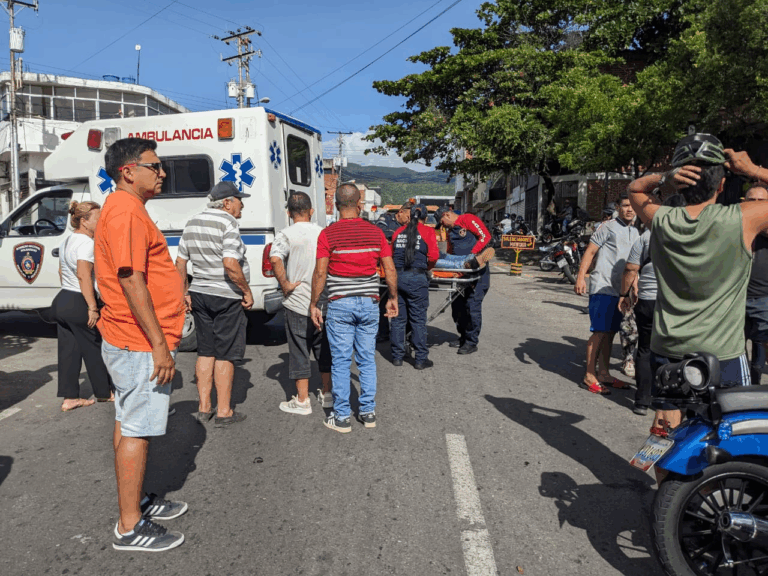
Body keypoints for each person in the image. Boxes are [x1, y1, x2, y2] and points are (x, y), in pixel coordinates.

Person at [628, 133, 766, 432]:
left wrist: (664, 177)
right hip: (723, 353)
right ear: (721, 184)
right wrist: (753, 170)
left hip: (668, 347)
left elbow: (636, 189)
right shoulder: (743, 218)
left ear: (681, 182)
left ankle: (667, 479)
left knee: (665, 423)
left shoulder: (662, 219)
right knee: (732, 429)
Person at [94, 138, 187, 552]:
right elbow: (131, 280)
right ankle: (129, 526)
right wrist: (160, 346)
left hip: (130, 339)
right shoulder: (126, 211)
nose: (162, 172)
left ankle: (136, 502)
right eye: (155, 165)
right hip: (139, 342)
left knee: (127, 419)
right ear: (129, 171)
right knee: (137, 430)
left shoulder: (124, 208)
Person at [310, 184, 398, 433]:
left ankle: (341, 417)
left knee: (340, 361)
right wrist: (392, 297)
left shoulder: (328, 234)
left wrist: (314, 304)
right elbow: (389, 269)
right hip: (369, 302)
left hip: (340, 304)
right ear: (359, 205)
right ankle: (368, 412)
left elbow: (320, 272)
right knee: (366, 359)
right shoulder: (376, 233)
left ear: (336, 206)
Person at [175, 180, 250, 427]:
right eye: (239, 200)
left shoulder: (192, 221)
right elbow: (230, 263)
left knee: (205, 350)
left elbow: (181, 262)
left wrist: (184, 292)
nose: (242, 205)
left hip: (199, 293)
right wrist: (246, 290)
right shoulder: (228, 223)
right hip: (226, 295)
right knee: (225, 353)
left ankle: (204, 407)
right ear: (227, 203)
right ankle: (225, 411)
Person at [619, 195, 687, 417]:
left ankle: (642, 400)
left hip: (647, 300)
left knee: (646, 349)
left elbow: (630, 269)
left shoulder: (647, 236)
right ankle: (669, 401)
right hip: (678, 304)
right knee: (676, 352)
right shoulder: (692, 235)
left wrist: (624, 294)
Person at [269, 191, 332, 414]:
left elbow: (275, 258)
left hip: (296, 301)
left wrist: (285, 283)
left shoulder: (285, 234)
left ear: (289, 213)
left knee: (298, 350)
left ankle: (302, 400)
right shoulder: (323, 233)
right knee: (324, 348)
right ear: (311, 211)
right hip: (322, 300)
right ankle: (326, 393)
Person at [52, 200, 114, 411]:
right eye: (98, 218)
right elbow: (83, 275)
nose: (101, 221)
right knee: (94, 347)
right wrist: (92, 307)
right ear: (85, 221)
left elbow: (62, 272)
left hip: (63, 299)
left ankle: (70, 397)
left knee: (69, 350)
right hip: (79, 300)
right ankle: (105, 393)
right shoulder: (87, 243)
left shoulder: (67, 240)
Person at [574, 195, 638, 395]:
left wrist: (633, 287)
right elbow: (591, 251)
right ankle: (589, 375)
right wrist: (581, 277)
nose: (629, 209)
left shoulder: (636, 231)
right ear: (618, 207)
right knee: (599, 332)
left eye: (632, 206)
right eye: (625, 205)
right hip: (602, 287)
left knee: (611, 333)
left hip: (621, 291)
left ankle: (604, 373)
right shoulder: (607, 226)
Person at [435, 207, 493, 354]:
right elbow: (450, 252)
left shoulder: (467, 219)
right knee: (457, 307)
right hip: (461, 273)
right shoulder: (450, 233)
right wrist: (450, 271)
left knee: (472, 307)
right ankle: (463, 336)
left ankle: (471, 342)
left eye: (442, 222)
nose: (443, 226)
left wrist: (473, 255)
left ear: (447, 215)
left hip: (476, 272)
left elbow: (485, 236)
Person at [390, 203, 439, 369]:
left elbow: (390, 255)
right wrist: (427, 269)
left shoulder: (398, 232)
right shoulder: (428, 231)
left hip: (397, 277)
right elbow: (433, 257)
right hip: (417, 277)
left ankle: (397, 357)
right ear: (425, 218)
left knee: (398, 319)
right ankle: (420, 359)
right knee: (418, 320)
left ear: (409, 216)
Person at [375, 202, 411, 342]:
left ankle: (403, 334)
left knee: (402, 301)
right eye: (407, 216)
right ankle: (383, 333)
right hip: (385, 266)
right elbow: (380, 233)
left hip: (401, 267)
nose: (408, 220)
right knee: (382, 301)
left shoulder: (408, 225)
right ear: (400, 212)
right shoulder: (386, 219)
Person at [743, 186, 768, 385]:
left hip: (763, 300)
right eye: (752, 200)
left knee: (760, 349)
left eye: (762, 201)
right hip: (736, 298)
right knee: (734, 350)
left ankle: (755, 386)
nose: (756, 205)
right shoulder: (736, 226)